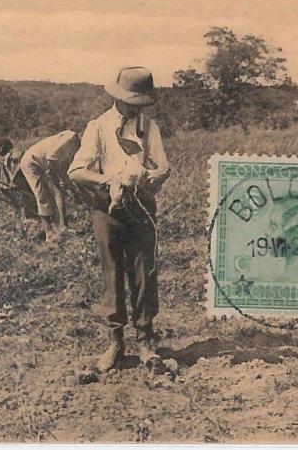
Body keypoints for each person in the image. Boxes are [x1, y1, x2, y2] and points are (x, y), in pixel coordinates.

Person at [68, 66, 171, 373]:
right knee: (112, 273)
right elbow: (76, 170)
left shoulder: (149, 127)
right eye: (132, 102)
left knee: (144, 272)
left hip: (141, 208)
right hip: (107, 209)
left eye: (142, 103)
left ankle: (145, 340)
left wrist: (151, 179)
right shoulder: (98, 127)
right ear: (118, 97)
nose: (137, 108)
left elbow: (162, 166)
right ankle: (115, 341)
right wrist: (110, 180)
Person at [20, 130, 81, 242]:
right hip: (31, 162)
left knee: (59, 192)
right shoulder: (70, 138)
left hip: (46, 164)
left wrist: (70, 185)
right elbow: (51, 157)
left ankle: (63, 227)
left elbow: (66, 166)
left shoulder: (76, 146)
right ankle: (49, 233)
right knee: (42, 196)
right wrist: (63, 178)